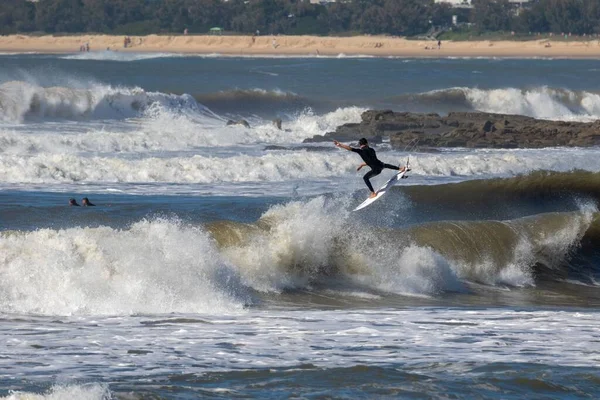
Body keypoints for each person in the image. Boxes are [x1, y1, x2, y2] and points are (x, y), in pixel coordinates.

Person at [334, 138, 407, 198]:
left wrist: (339, 145)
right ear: (367, 143)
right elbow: (372, 160)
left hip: (376, 170)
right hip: (380, 166)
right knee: (384, 165)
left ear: (360, 145)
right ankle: (400, 168)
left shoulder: (360, 151)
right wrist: (362, 165)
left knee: (365, 178)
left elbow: (349, 148)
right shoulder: (372, 149)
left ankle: (373, 193)